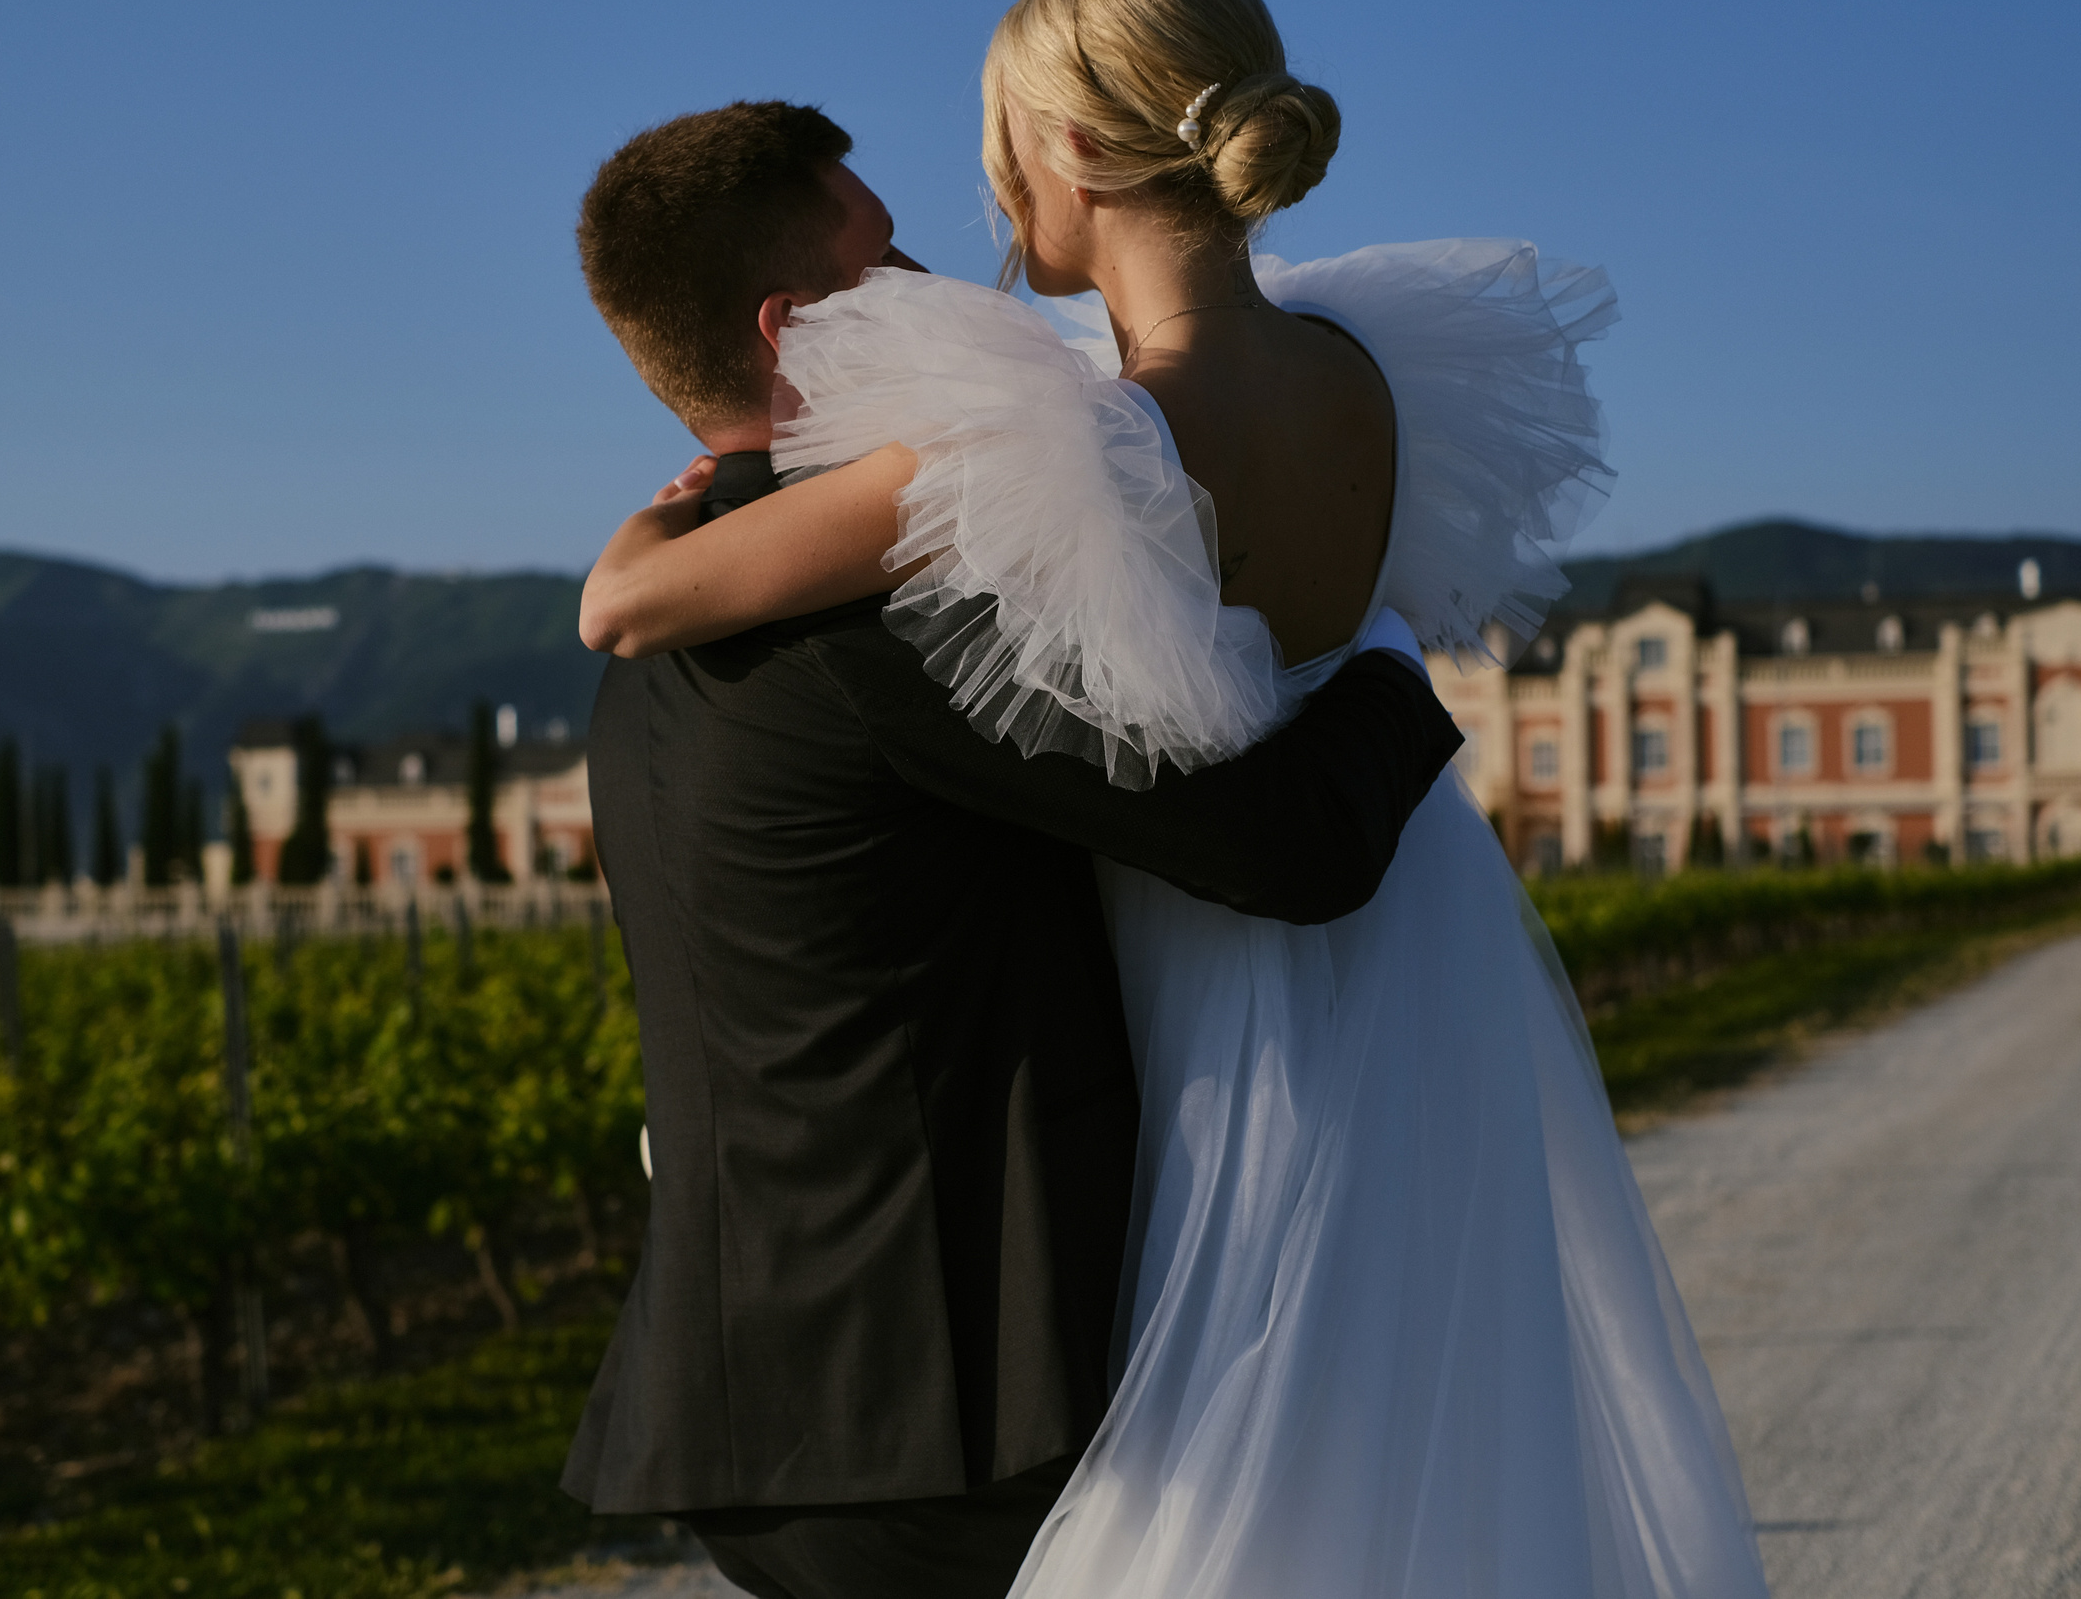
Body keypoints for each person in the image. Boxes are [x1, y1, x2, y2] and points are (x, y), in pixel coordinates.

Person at [582, 0, 1774, 1599]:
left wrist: (631, 567)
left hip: (1217, 984)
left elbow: (662, 596)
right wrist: (1383, 673)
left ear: (1069, 149)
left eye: (995, 156)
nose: (974, 227)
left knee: (1246, 1464)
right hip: (1413, 953)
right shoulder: (1373, 370)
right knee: (1406, 1436)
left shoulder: (1065, 443)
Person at [561, 98, 1469, 1599]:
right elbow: (1290, 851)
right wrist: (1385, 656)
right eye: (892, 256)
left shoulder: (664, 627)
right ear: (797, 332)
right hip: (938, 1416)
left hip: (766, 1400)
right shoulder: (886, 625)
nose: (941, 282)